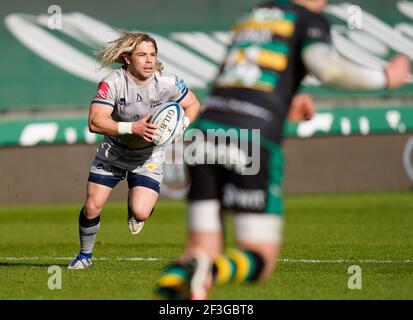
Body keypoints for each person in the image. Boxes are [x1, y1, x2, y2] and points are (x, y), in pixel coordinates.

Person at [153, 0, 410, 299]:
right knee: (259, 257)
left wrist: (283, 107)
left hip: (205, 133)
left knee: (198, 251)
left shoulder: (254, 16)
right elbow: (328, 69)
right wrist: (384, 77)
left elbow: (241, 82)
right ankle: (207, 271)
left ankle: (183, 283)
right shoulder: (307, 20)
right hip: (249, 139)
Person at [67, 32, 201, 270]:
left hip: (148, 156)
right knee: (92, 206)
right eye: (142, 55)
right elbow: (95, 121)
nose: (149, 60)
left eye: (153, 54)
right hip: (114, 152)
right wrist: (134, 128)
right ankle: (85, 255)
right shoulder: (113, 82)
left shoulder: (168, 82)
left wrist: (183, 124)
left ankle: (135, 210)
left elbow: (193, 104)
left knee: (141, 212)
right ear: (128, 58)